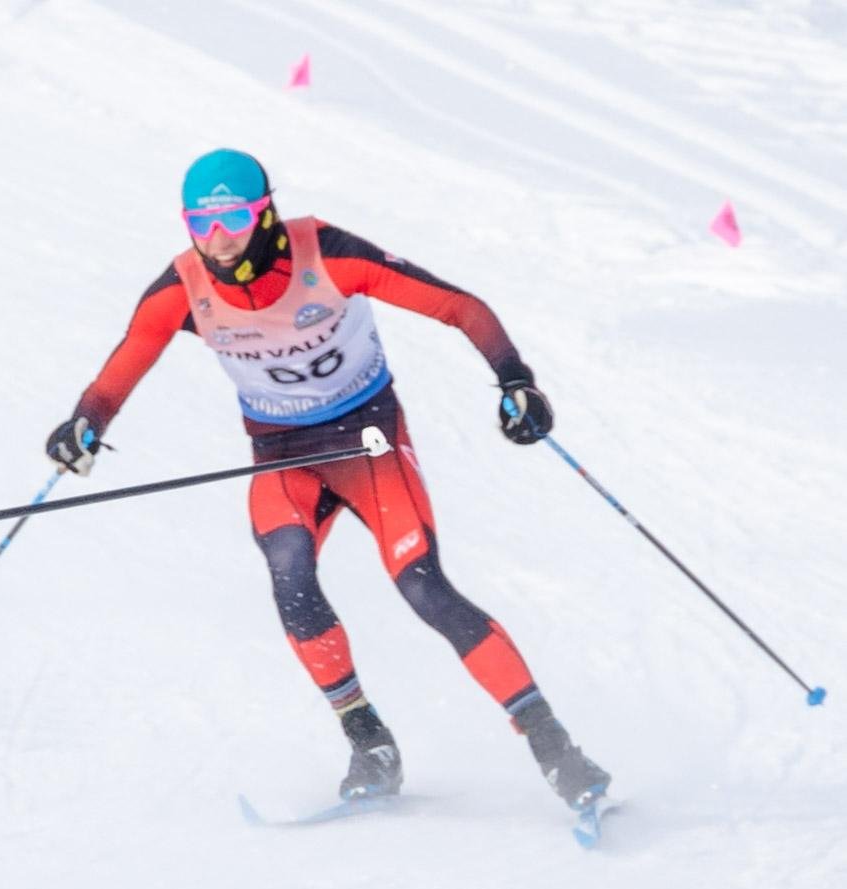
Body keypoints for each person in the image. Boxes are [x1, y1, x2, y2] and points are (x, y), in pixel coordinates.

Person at [45, 148, 609, 810]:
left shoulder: (329, 256)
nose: (217, 237)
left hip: (367, 438)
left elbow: (461, 308)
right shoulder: (182, 290)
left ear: (263, 213)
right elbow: (126, 363)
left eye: (231, 217)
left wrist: (515, 380)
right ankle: (368, 740)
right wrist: (85, 421)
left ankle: (554, 749)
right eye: (200, 222)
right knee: (290, 578)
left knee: (422, 588)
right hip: (282, 454)